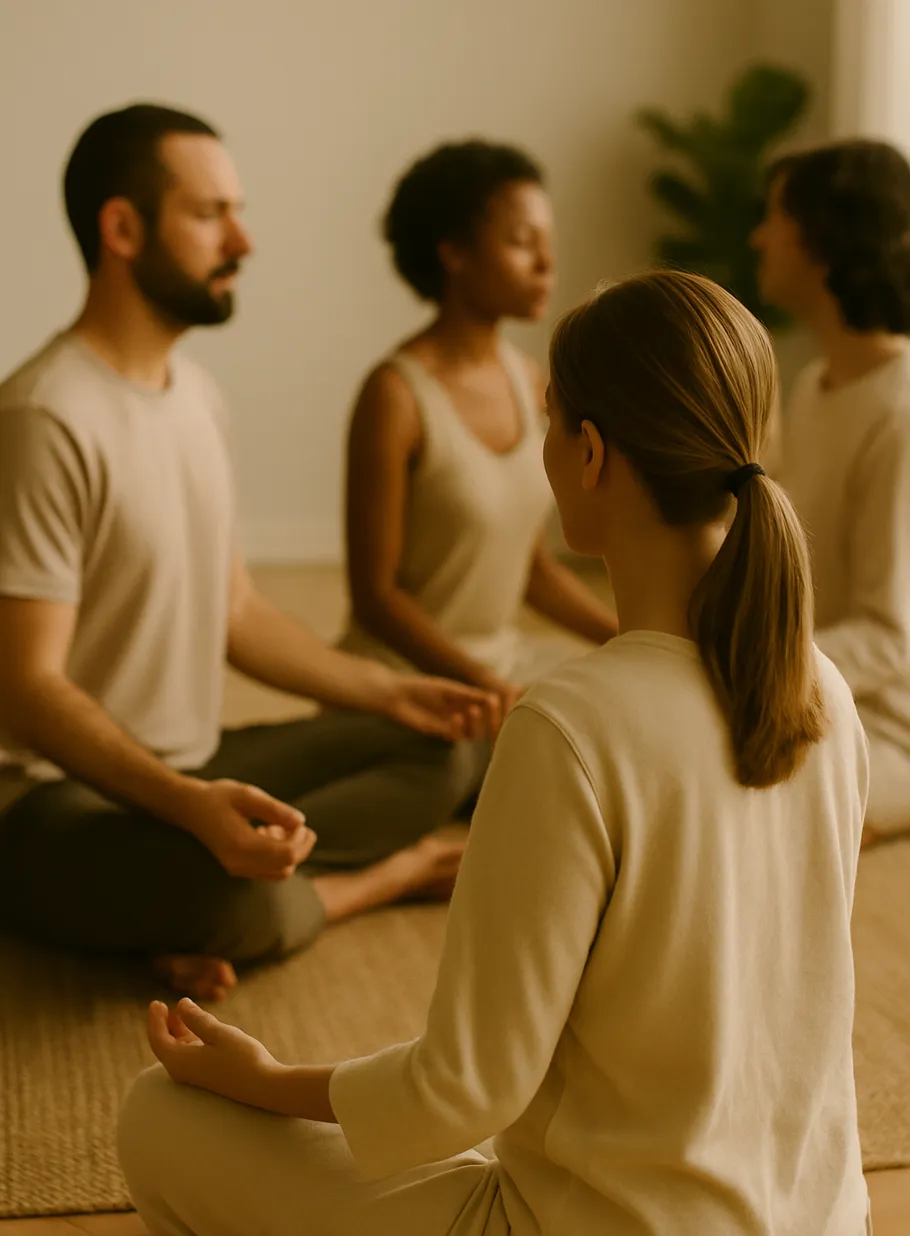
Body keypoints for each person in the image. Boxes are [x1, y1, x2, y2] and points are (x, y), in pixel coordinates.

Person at [118, 271, 871, 1236]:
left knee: (160, 1113)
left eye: (551, 422)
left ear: (590, 453)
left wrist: (264, 1081)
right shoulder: (823, 691)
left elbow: (465, 1091)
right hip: (821, 1220)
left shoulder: (571, 722)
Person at [0, 103, 499, 1003]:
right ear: (122, 228)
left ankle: (202, 892)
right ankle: (377, 878)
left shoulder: (198, 396)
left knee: (442, 750)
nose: (245, 239)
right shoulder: (44, 417)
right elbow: (27, 693)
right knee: (241, 901)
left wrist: (391, 690)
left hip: (191, 762)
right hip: (49, 801)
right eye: (210, 214)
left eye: (239, 209)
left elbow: (238, 615)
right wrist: (188, 807)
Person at [339, 140, 616, 744]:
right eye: (521, 241)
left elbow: (533, 569)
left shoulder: (534, 384)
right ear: (454, 252)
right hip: (409, 679)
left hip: (503, 665)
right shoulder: (393, 396)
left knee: (627, 712)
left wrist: (627, 637)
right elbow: (374, 598)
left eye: (549, 241)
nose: (546, 263)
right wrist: (484, 687)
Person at [752, 139, 910, 851]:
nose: (758, 236)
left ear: (822, 235)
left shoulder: (901, 412)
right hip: (802, 689)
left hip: (884, 725)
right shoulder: (815, 388)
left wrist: (753, 661)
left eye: (774, 217)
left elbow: (891, 635)